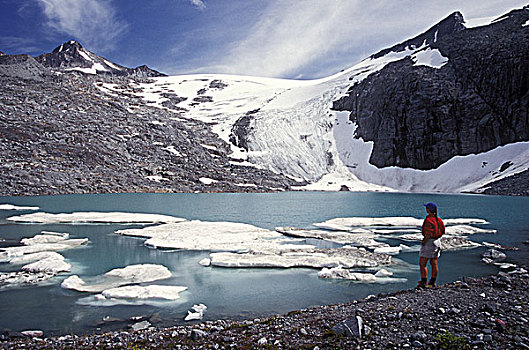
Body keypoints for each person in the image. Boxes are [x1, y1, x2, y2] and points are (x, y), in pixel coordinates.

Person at [417, 202, 445, 288]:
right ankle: (432, 282)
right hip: (437, 241)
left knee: (423, 263)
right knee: (434, 262)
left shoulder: (429, 220)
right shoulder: (438, 220)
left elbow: (428, 233)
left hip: (429, 242)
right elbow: (443, 230)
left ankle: (423, 282)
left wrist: (424, 241)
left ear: (429, 210)